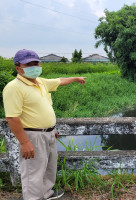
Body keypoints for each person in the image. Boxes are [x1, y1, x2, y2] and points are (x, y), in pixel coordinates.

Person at [2, 49, 86, 200]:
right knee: (33, 171)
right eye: (29, 64)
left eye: (36, 62)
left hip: (49, 133)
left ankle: (46, 193)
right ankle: (33, 198)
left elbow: (60, 81)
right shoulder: (13, 88)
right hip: (32, 136)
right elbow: (12, 118)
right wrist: (24, 142)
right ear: (17, 67)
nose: (34, 66)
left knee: (49, 167)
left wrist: (75, 78)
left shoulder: (40, 82)